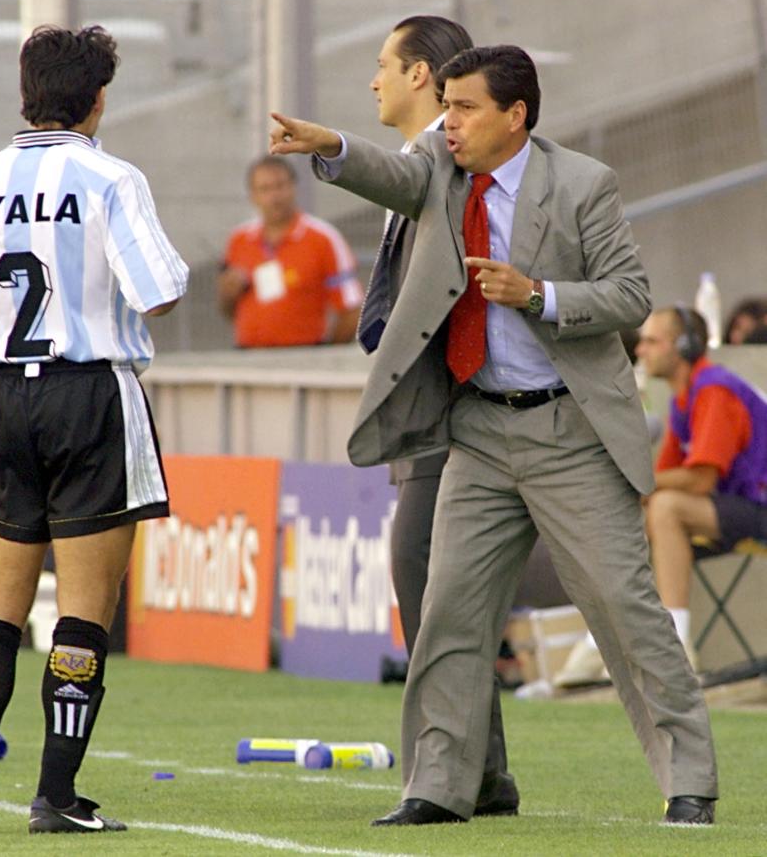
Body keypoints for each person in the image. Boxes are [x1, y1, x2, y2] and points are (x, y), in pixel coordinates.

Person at [270, 44, 718, 826]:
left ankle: (689, 780)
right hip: (477, 431)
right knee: (447, 611)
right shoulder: (438, 172)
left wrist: (538, 295)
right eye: (444, 104)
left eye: (465, 107)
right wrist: (332, 147)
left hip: (569, 434)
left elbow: (631, 295)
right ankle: (437, 787)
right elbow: (394, 174)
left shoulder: (583, 182)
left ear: (515, 116)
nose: (449, 122)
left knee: (623, 605)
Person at [0, 24, 188, 835]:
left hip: (6, 397)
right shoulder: (111, 176)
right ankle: (55, 797)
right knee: (85, 607)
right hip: (90, 394)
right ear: (98, 98)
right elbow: (158, 290)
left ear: (26, 90)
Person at [360, 14, 517, 816]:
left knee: (427, 583)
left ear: (422, 74)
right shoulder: (423, 168)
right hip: (428, 411)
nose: (375, 79)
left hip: (464, 412)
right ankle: (481, 774)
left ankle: (450, 779)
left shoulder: (447, 167)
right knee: (432, 589)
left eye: (385, 64)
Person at [566, 307, 767, 679]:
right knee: (638, 509)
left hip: (758, 508)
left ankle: (675, 647)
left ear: (686, 346)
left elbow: (699, 481)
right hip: (736, 509)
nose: (641, 350)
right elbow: (660, 476)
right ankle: (606, 640)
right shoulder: (684, 398)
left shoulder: (715, 389)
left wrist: (640, 487)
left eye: (652, 341)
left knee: (666, 507)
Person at [217, 155, 363, 347]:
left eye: (280, 186)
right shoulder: (239, 240)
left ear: (294, 188)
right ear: (252, 196)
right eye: (265, 189)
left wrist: (325, 356)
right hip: (250, 357)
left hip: (305, 355)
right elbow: (228, 309)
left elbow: (352, 309)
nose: (274, 197)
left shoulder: (323, 238)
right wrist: (228, 293)